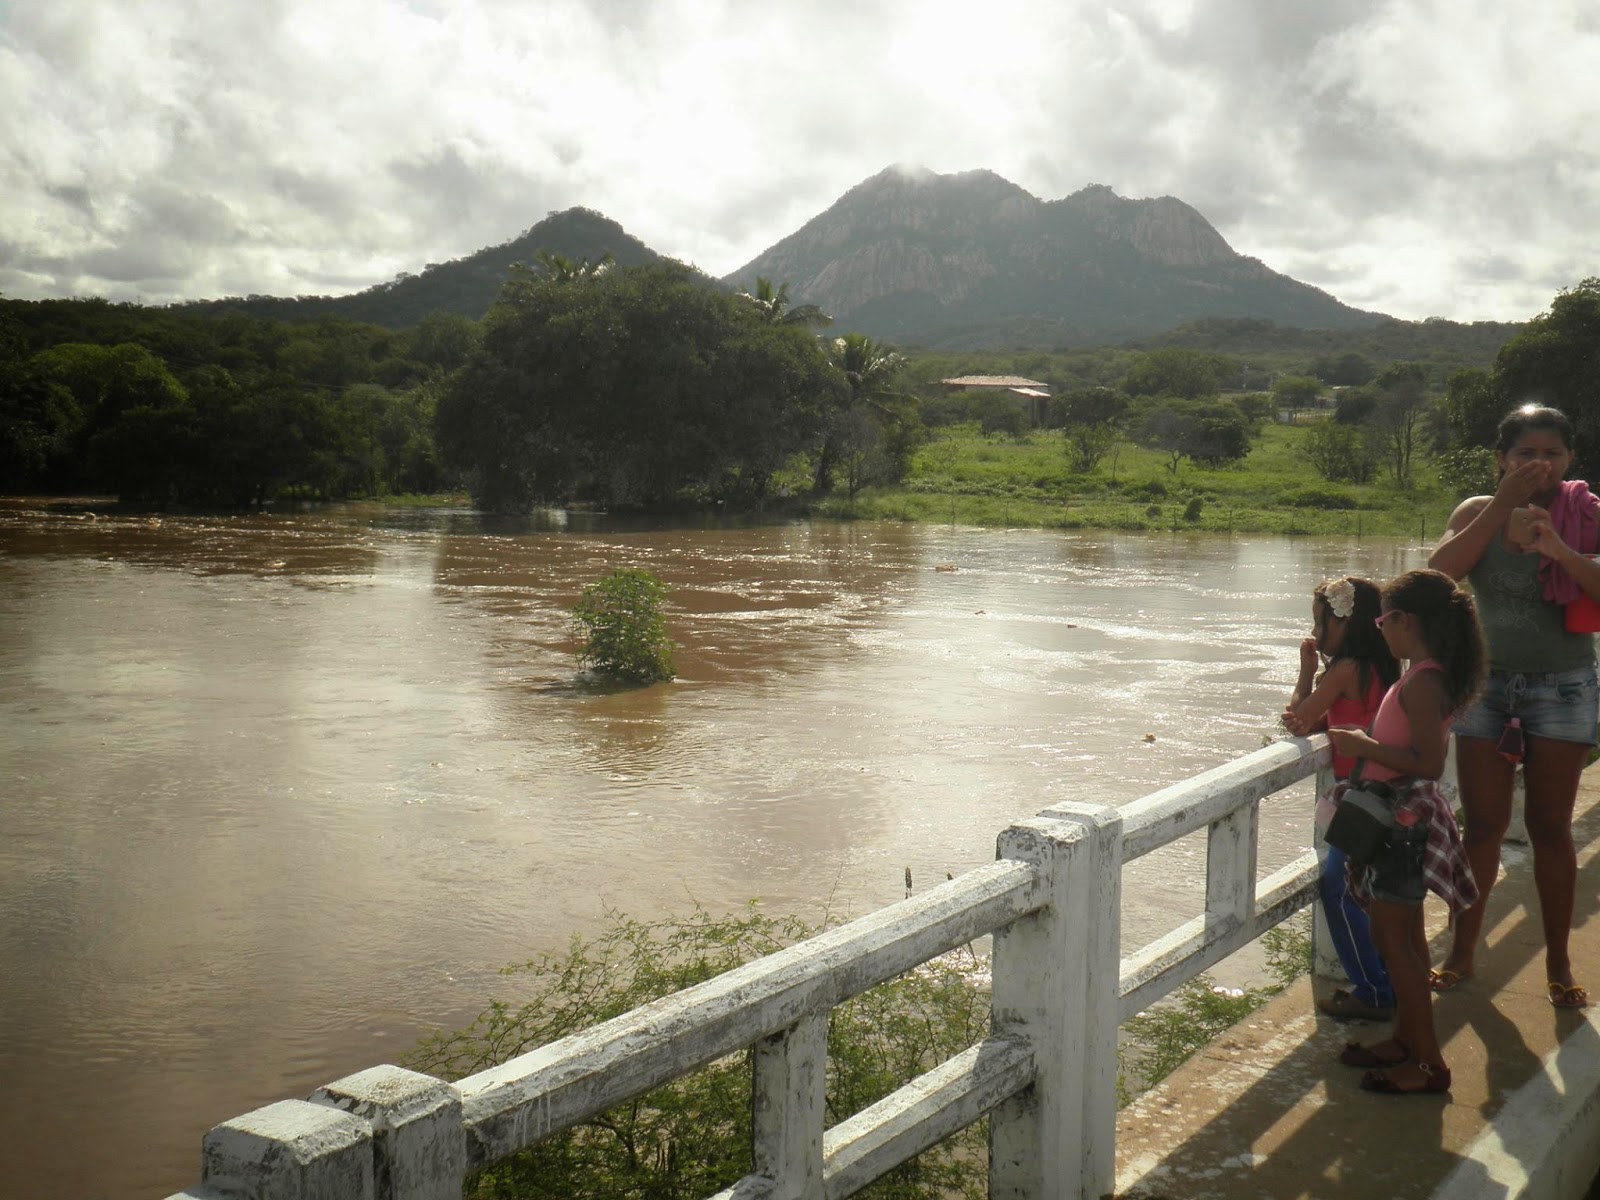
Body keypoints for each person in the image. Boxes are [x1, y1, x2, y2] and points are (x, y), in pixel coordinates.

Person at [1427, 404, 1600, 1007]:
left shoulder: (1586, 514)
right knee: (1483, 828)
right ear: (1501, 460)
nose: (1539, 464)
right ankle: (1461, 952)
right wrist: (1501, 506)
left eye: (1551, 453)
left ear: (1570, 459)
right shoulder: (1478, 512)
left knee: (1550, 828)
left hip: (1564, 686)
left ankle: (1557, 961)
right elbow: (1439, 576)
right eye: (1525, 453)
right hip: (1487, 687)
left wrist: (1559, 549)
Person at [1328, 569, 1485, 1095]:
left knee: (1391, 940)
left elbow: (1428, 763)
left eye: (1383, 620)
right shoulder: (1421, 673)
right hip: (1400, 823)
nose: (1380, 630)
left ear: (1404, 621)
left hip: (1402, 825)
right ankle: (1405, 1041)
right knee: (1408, 940)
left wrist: (1364, 747)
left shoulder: (1425, 681)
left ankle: (1429, 1064)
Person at [1281, 576, 1401, 1021]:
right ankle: (1387, 980)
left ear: (1344, 622)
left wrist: (1306, 672)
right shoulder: (1387, 665)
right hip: (1390, 791)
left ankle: (1372, 991)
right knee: (1375, 893)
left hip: (1360, 799)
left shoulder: (1346, 669)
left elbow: (1298, 721)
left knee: (1339, 891)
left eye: (1320, 622)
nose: (1316, 632)